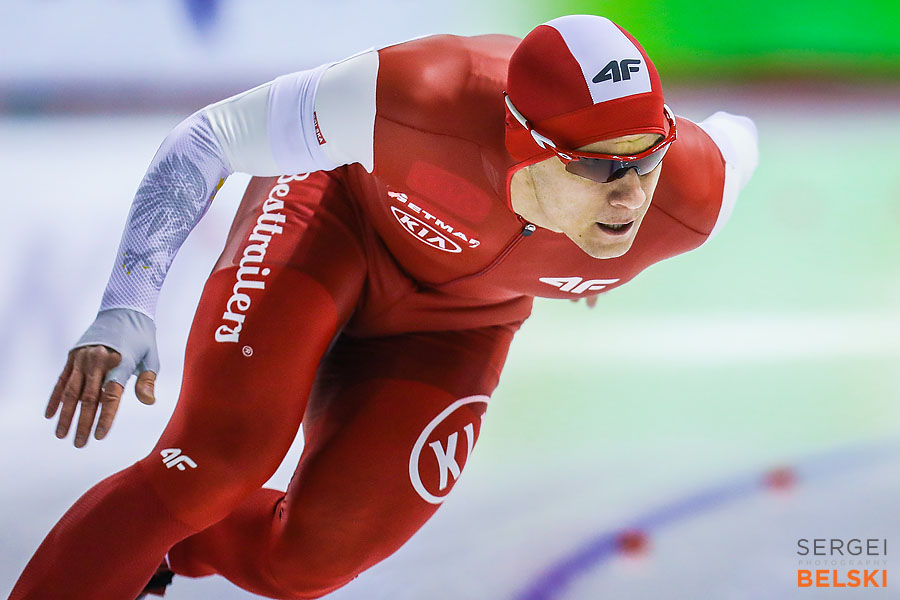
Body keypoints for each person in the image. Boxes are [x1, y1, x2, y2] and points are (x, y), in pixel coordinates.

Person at [11, 14, 758, 600]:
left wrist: (610, 198)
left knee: (307, 564)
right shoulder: (420, 94)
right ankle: (159, 511)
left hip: (462, 320)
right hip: (331, 221)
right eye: (599, 167)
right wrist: (129, 301)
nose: (630, 196)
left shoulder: (691, 193)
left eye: (647, 155)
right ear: (523, 141)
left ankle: (159, 542)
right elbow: (211, 137)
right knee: (211, 465)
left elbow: (741, 135)